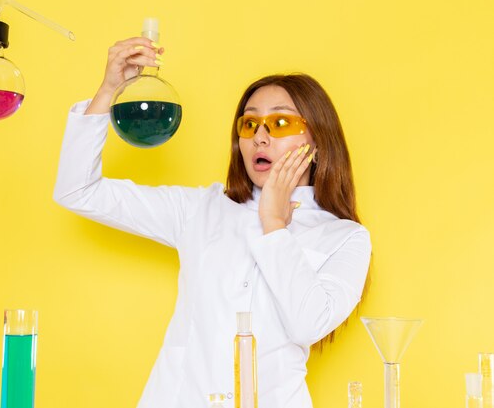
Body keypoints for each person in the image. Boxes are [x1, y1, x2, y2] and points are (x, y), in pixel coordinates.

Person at [54, 37, 372, 408]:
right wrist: (110, 89)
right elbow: (77, 191)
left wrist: (274, 224)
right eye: (250, 123)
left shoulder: (345, 238)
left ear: (317, 142)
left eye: (280, 122)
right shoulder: (201, 208)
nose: (261, 136)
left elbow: (308, 324)